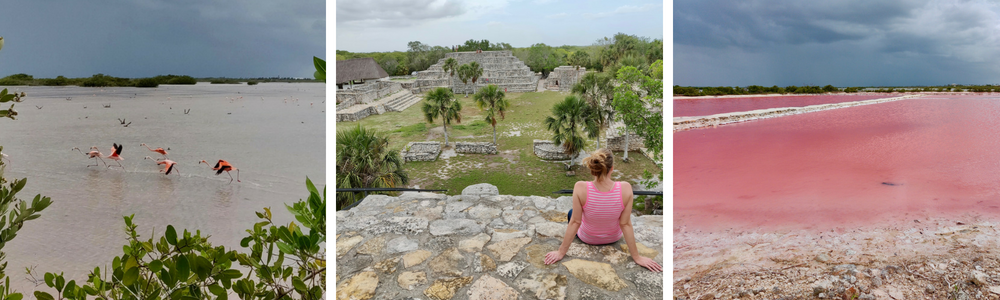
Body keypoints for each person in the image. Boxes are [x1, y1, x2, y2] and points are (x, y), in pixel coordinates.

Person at [544, 149, 662, 272]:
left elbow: (575, 222)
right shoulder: (626, 188)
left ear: (592, 170)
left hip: (588, 238)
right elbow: (625, 224)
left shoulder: (580, 187)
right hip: (613, 237)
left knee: (571, 213)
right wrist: (637, 257)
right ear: (612, 169)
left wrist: (560, 252)